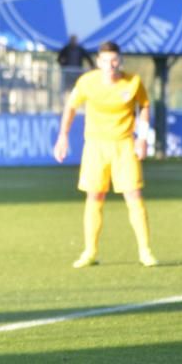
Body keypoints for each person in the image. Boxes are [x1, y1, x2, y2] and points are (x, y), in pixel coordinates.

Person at [53, 40, 157, 268]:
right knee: (94, 197)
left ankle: (145, 251)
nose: (110, 65)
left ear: (120, 61)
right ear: (98, 62)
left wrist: (142, 138)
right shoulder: (87, 82)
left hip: (124, 145)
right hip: (95, 147)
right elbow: (70, 107)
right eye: (106, 61)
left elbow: (145, 107)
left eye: (114, 60)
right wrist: (63, 136)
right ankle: (90, 251)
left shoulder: (133, 82)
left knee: (134, 196)